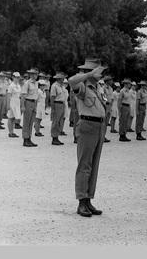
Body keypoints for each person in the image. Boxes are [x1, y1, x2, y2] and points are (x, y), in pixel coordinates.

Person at [68, 58, 107, 217]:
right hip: (87, 125)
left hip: (99, 126)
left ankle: (89, 198)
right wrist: (89, 73)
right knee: (85, 165)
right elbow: (71, 80)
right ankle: (81, 201)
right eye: (98, 71)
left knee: (94, 165)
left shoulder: (98, 88)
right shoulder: (82, 86)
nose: (101, 74)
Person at [50, 73, 69, 145]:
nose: (63, 79)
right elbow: (52, 97)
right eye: (62, 78)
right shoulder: (54, 86)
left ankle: (57, 136)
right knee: (56, 121)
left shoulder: (62, 86)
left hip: (62, 104)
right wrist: (53, 108)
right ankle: (54, 137)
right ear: (59, 79)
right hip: (57, 103)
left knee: (60, 121)